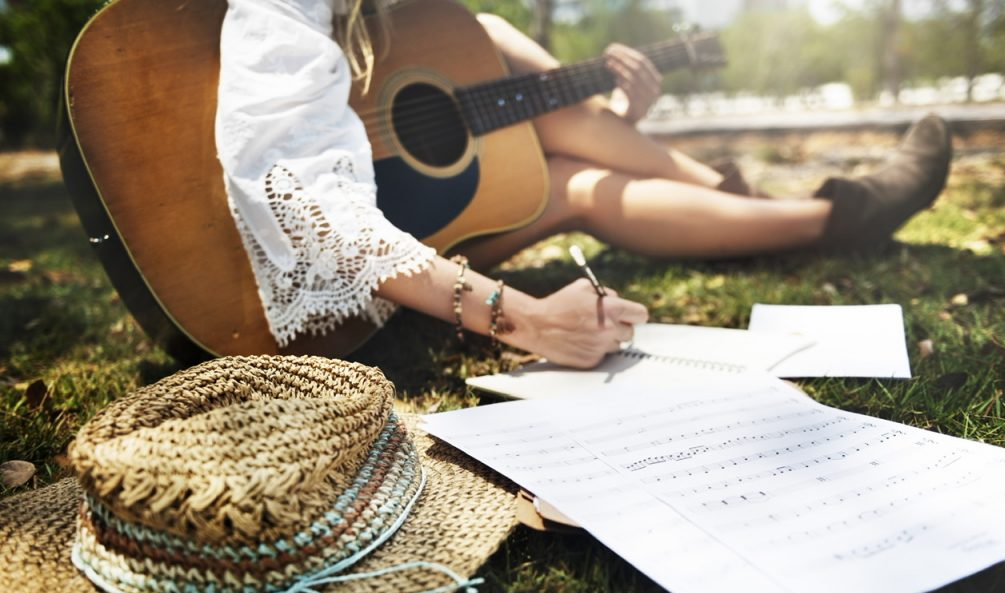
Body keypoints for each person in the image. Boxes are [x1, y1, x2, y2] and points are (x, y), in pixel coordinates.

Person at [215, 0, 952, 370]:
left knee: (571, 171)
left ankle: (822, 215)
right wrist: (525, 317)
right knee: (508, 58)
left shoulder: (398, 17)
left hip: (416, 210)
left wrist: (627, 117)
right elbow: (308, 206)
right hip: (305, 271)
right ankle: (816, 209)